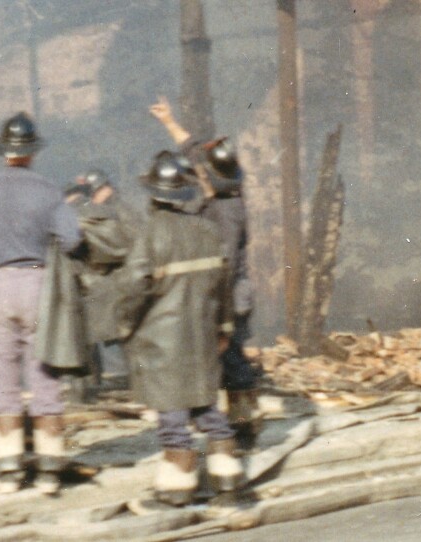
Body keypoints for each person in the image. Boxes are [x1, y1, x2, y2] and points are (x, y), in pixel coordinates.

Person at [0, 112, 81, 495]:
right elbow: (73, 240)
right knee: (44, 375)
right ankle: (48, 471)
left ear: (4, 152)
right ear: (32, 152)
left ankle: (9, 470)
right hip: (39, 284)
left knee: (2, 378)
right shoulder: (48, 190)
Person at [116, 151, 244, 508]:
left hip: (161, 341)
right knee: (205, 403)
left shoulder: (150, 235)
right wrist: (225, 328)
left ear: (153, 194)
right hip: (202, 334)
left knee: (172, 410)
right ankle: (228, 477)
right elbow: (224, 285)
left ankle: (177, 487)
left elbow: (133, 288)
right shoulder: (207, 231)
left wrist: (125, 324)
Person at [149, 96, 263, 448]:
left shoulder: (225, 214)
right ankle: (230, 421)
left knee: (230, 357)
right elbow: (197, 152)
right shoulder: (219, 189)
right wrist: (169, 122)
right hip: (221, 292)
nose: (195, 172)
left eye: (201, 172)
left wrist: (220, 317)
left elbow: (223, 268)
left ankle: (242, 424)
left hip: (228, 293)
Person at [74, 169, 139, 394]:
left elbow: (131, 245)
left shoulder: (117, 211)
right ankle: (99, 383)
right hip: (107, 282)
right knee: (108, 336)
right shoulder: (115, 210)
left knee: (116, 336)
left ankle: (114, 382)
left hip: (111, 282)